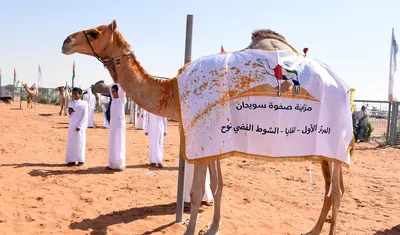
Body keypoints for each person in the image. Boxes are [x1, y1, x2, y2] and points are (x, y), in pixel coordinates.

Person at [65, 87, 88, 166]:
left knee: (80, 142)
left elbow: (85, 116)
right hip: (72, 126)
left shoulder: (84, 103)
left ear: (80, 94)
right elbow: (68, 115)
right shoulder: (71, 103)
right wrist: (69, 112)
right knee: (71, 143)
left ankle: (80, 160)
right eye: (73, 93)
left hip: (80, 127)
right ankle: (71, 160)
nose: (74, 95)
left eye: (76, 93)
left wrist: (80, 126)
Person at [107, 83, 127, 171]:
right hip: (113, 125)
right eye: (112, 92)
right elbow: (109, 86)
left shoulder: (121, 100)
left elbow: (122, 90)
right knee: (112, 143)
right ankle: (112, 163)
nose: (113, 93)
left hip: (119, 125)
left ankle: (119, 164)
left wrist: (119, 80)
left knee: (119, 143)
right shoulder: (113, 101)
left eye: (115, 91)